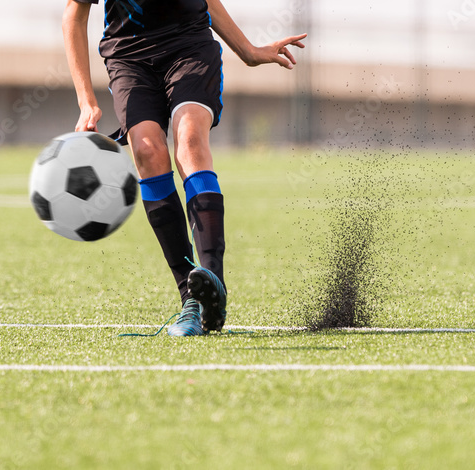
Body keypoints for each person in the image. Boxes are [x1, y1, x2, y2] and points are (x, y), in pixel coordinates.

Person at [62, 0, 306, 336]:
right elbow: (74, 15)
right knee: (147, 152)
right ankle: (190, 297)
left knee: (189, 141)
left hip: (188, 46)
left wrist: (248, 51)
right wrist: (85, 100)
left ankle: (213, 283)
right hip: (128, 57)